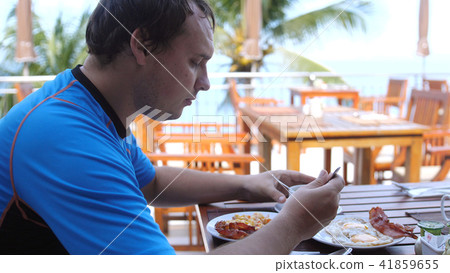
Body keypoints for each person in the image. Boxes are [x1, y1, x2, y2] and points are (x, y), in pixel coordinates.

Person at [0, 0, 344, 254]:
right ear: (142, 46)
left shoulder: (83, 103)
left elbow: (151, 182)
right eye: (196, 62)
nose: (206, 83)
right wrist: (295, 223)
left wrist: (248, 184)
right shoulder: (64, 140)